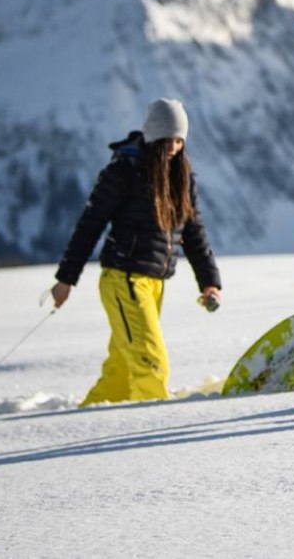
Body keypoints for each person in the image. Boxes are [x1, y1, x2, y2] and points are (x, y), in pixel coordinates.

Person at [52, 98, 222, 406]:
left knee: (121, 373)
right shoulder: (125, 171)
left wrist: (210, 282)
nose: (173, 145)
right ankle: (152, 434)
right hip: (124, 280)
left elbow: (193, 232)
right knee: (150, 363)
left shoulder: (181, 176)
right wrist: (66, 279)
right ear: (152, 136)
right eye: (167, 138)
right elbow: (89, 225)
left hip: (153, 284)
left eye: (179, 139)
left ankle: (89, 424)